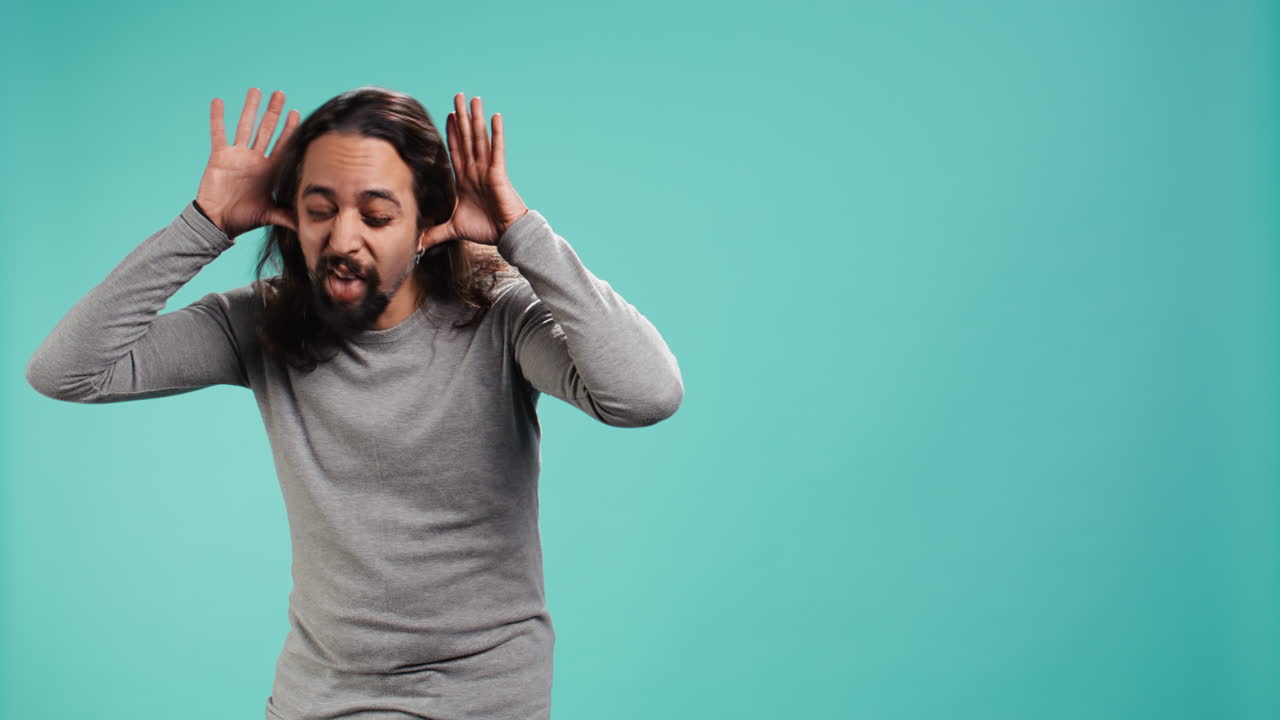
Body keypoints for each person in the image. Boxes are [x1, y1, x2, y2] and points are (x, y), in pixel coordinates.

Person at [25, 86, 683, 720]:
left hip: (480, 699)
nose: (342, 240)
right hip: (318, 698)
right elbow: (66, 373)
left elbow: (646, 394)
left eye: (376, 216)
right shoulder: (260, 322)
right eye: (320, 210)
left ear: (427, 222)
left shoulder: (499, 320)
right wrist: (203, 226)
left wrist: (521, 233)